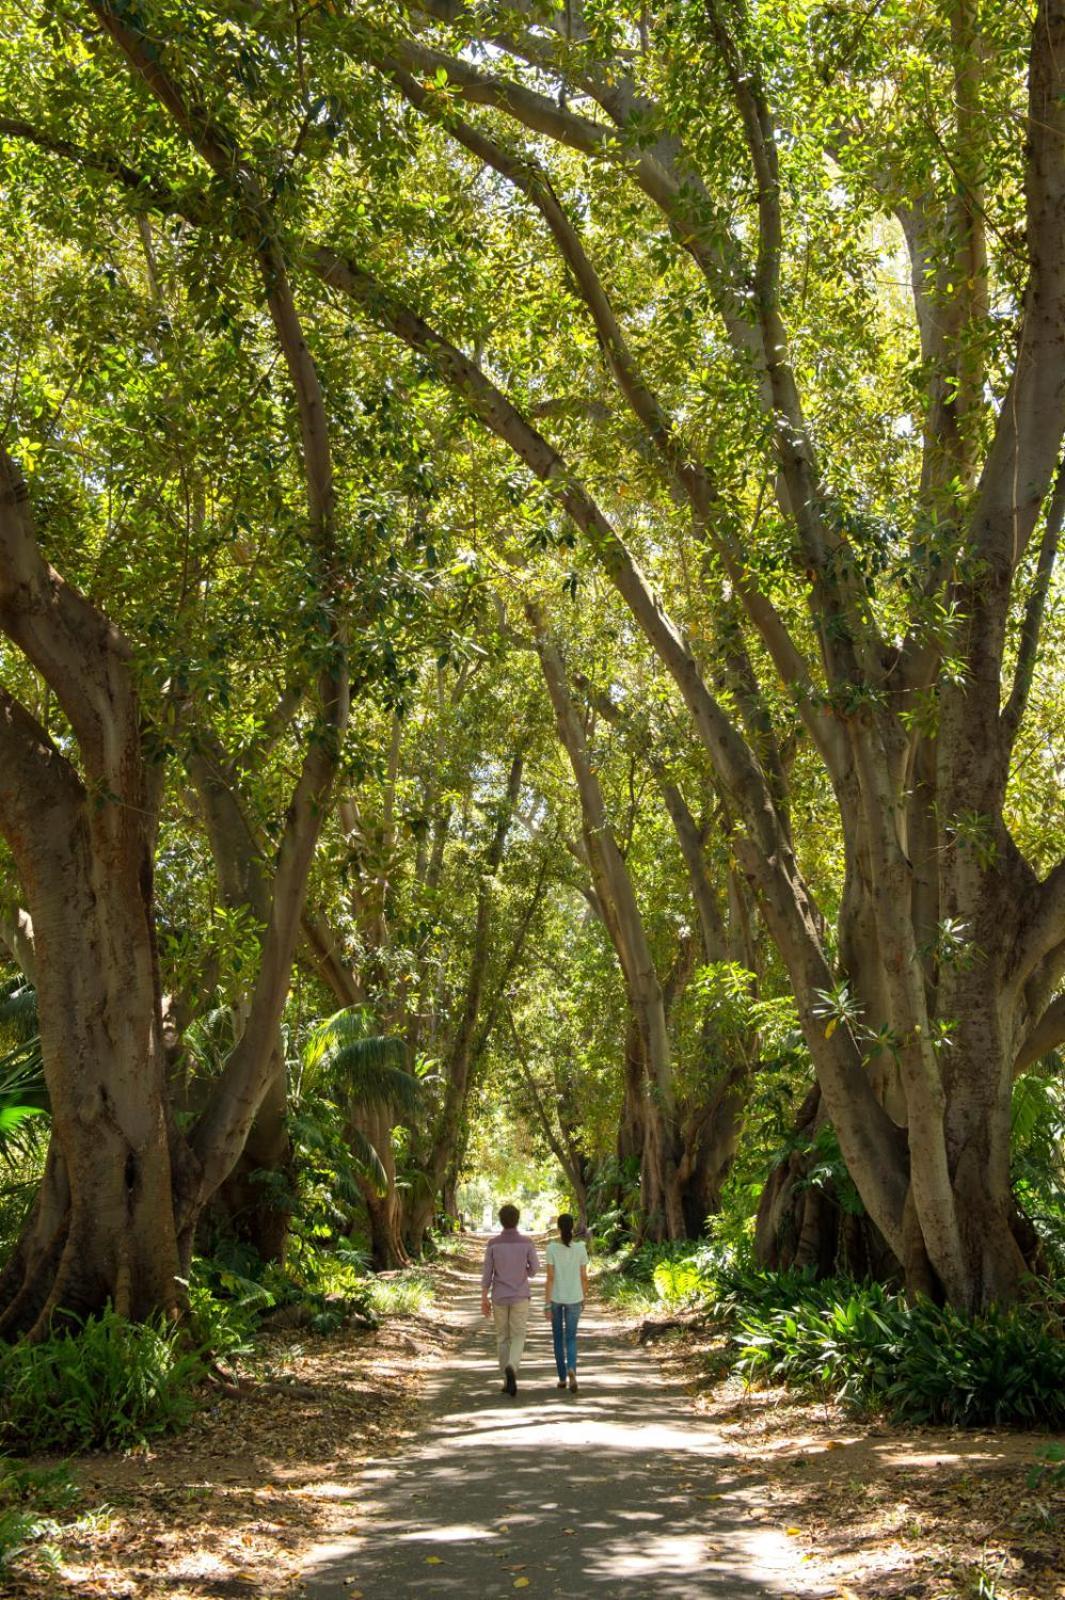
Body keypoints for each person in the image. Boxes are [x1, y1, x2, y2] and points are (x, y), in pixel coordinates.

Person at [481, 1202, 539, 1396]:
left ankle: (507, 1380)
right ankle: (513, 1366)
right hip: (520, 1295)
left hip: (499, 1296)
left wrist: (483, 1297)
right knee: (518, 1335)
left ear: (501, 1221)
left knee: (502, 1337)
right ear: (517, 1220)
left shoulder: (493, 1244)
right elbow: (535, 1269)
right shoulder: (527, 1243)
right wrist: (526, 1271)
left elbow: (487, 1272)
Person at [543, 1213, 589, 1394]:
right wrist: (584, 1297)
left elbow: (550, 1277)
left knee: (557, 1338)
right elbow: (584, 1277)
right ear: (572, 1227)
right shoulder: (581, 1248)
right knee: (571, 1338)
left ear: (558, 1228)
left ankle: (562, 1377)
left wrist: (547, 1303)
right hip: (575, 1298)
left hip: (555, 1298)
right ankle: (572, 1369)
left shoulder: (551, 1248)